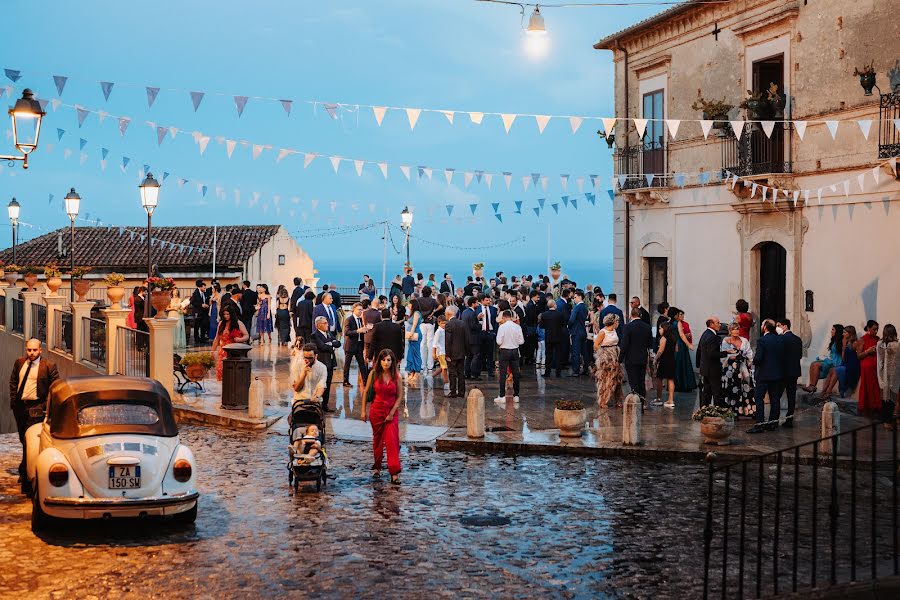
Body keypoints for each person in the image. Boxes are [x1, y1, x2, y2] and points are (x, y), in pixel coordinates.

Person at [9, 338, 59, 495]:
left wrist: (44, 408)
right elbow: (13, 382)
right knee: (23, 439)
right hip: (20, 408)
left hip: (36, 408)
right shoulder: (19, 363)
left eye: (34, 350)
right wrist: (14, 401)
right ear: (26, 349)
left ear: (40, 350)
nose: (31, 353)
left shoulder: (48, 366)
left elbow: (55, 389)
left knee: (31, 441)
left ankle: (26, 475)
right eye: (29, 350)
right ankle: (25, 469)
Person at [361, 349, 404, 485]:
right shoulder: (374, 374)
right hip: (376, 411)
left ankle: (394, 473)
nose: (386, 363)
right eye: (384, 360)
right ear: (379, 361)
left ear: (393, 362)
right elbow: (366, 391)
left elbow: (399, 396)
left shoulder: (397, 376)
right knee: (378, 441)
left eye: (389, 360)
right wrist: (363, 411)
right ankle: (377, 467)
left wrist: (392, 413)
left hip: (391, 412)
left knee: (392, 441)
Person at [748, 320, 785, 433]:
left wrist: (752, 361)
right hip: (776, 374)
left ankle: (760, 424)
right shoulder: (780, 339)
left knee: (759, 399)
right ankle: (773, 423)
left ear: (765, 328)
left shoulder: (762, 340)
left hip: (763, 374)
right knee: (775, 399)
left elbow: (759, 358)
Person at [721, 322, 755, 418]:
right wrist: (732, 356)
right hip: (730, 369)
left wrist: (749, 362)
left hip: (743, 367)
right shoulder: (725, 341)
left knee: (746, 387)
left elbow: (749, 353)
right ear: (730, 331)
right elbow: (723, 355)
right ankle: (732, 411)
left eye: (737, 329)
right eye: (733, 329)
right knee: (732, 389)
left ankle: (747, 410)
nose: (736, 331)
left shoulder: (744, 340)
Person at [619, 307, 653, 403]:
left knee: (633, 382)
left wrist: (620, 359)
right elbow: (650, 344)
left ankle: (636, 402)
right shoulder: (647, 327)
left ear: (631, 315)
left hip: (631, 358)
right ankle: (642, 402)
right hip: (642, 357)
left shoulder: (628, 327)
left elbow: (624, 344)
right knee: (641, 381)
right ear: (640, 315)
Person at [819, 326, 860, 399]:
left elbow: (857, 356)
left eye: (845, 332)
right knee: (831, 370)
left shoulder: (855, 343)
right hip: (846, 363)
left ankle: (828, 392)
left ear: (850, 333)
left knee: (835, 370)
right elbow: (843, 358)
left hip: (852, 365)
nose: (843, 334)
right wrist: (843, 347)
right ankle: (824, 391)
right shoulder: (845, 342)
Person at [593, 314, 624, 408]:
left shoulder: (614, 330)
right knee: (606, 379)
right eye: (617, 321)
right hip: (606, 357)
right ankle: (603, 400)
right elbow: (596, 345)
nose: (618, 323)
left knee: (617, 379)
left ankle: (617, 400)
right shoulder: (603, 332)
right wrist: (604, 355)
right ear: (613, 322)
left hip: (615, 355)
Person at [212, 304, 250, 381]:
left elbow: (246, 335)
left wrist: (239, 340)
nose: (226, 316)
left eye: (228, 314)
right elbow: (217, 338)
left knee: (232, 374)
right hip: (222, 352)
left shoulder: (238, 323)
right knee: (221, 371)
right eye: (224, 314)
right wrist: (212, 351)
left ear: (231, 314)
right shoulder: (221, 323)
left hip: (233, 352)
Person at [311, 316, 341, 412]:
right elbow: (322, 347)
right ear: (318, 325)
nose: (327, 324)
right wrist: (331, 344)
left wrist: (330, 343)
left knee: (328, 384)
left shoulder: (328, 333)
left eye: (327, 323)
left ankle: (325, 405)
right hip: (322, 362)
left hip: (330, 362)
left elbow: (338, 343)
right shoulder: (314, 335)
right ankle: (317, 404)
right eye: (325, 323)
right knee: (320, 385)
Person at [494, 309, 524, 404]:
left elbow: (498, 341)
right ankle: (516, 396)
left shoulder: (502, 327)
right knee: (516, 374)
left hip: (504, 351)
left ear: (504, 317)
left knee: (503, 374)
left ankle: (502, 396)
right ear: (511, 317)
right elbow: (521, 341)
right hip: (515, 351)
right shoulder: (517, 327)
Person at [803, 324, 844, 393]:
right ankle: (811, 385)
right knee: (813, 363)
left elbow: (838, 356)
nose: (831, 331)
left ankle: (813, 386)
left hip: (835, 362)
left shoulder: (840, 342)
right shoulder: (834, 341)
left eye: (833, 330)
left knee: (816, 365)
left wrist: (827, 359)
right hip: (831, 360)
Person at [778, 318, 803, 427]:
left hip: (783, 371)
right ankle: (789, 419)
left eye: (779, 325)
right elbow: (800, 355)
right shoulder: (798, 339)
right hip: (794, 371)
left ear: (785, 326)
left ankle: (773, 419)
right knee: (791, 396)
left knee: (777, 395)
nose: (777, 327)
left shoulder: (782, 339)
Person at [443, 305, 471, 398]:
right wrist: (467, 352)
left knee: (452, 373)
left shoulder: (448, 324)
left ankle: (453, 391)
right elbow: (467, 339)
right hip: (461, 352)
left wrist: (447, 354)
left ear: (448, 313)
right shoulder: (462, 323)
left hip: (452, 353)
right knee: (460, 373)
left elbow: (448, 341)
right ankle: (462, 392)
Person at [696, 316, 725, 407]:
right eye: (718, 323)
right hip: (713, 369)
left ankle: (705, 410)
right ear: (711, 324)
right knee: (716, 392)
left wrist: (699, 365)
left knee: (707, 392)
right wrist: (726, 353)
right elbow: (712, 354)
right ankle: (717, 412)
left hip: (706, 368)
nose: (719, 325)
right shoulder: (712, 336)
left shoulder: (705, 334)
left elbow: (699, 350)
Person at [669, 307, 697, 393]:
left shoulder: (668, 323)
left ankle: (676, 385)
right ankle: (684, 385)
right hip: (680, 345)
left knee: (676, 365)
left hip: (673, 345)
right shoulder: (678, 323)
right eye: (678, 314)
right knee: (683, 364)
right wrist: (688, 344)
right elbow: (681, 335)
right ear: (675, 315)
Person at [857, 320, 882, 418]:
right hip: (866, 367)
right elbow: (859, 355)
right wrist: (867, 351)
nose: (876, 331)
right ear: (868, 328)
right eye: (874, 329)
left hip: (876, 366)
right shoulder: (862, 340)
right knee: (867, 386)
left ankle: (876, 407)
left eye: (877, 329)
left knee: (875, 386)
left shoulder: (878, 339)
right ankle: (866, 407)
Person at [876, 324, 899, 426]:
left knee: (885, 398)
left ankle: (886, 420)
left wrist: (881, 375)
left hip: (883, 374)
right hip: (894, 375)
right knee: (892, 399)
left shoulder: (879, 344)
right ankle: (889, 421)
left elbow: (880, 361)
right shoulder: (896, 345)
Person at [342, 303, 369, 387]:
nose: (361, 311)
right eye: (359, 309)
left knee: (362, 364)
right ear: (354, 309)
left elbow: (362, 331)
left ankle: (365, 381)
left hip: (359, 345)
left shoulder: (361, 320)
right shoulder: (349, 319)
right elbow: (346, 332)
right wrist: (358, 331)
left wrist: (366, 329)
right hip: (350, 345)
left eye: (362, 309)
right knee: (347, 364)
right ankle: (345, 381)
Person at [539, 301, 566, 378]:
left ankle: (547, 372)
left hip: (549, 337)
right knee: (558, 355)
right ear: (554, 305)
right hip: (558, 337)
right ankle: (558, 373)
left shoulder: (544, 315)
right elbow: (563, 325)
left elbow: (541, 326)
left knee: (548, 355)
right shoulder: (560, 314)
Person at [474, 296, 498, 379]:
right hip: (481, 333)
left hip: (490, 333)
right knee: (480, 353)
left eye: (489, 300)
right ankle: (479, 371)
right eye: (486, 300)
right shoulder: (477, 309)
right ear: (482, 301)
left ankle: (490, 371)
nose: (488, 302)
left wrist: (494, 332)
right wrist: (477, 318)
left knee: (490, 353)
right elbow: (473, 321)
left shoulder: (493, 309)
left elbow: (495, 321)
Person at [655, 321, 677, 408]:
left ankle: (658, 398)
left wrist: (655, 359)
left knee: (659, 378)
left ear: (665, 329)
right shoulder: (673, 338)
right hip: (671, 360)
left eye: (660, 328)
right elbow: (676, 349)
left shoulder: (663, 338)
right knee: (670, 379)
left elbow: (660, 351)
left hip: (664, 360)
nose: (659, 330)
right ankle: (671, 400)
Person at [568, 290, 589, 377]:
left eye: (575, 297)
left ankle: (576, 371)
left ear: (580, 297)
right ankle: (586, 368)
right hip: (583, 331)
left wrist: (568, 326)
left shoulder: (577, 307)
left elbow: (572, 319)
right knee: (584, 352)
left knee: (576, 352)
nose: (574, 299)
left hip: (576, 332)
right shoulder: (584, 307)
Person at [418, 286, 438, 374]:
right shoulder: (433, 300)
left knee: (422, 344)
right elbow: (440, 306)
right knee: (430, 344)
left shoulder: (418, 300)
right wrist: (433, 312)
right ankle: (430, 365)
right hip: (430, 323)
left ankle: (422, 365)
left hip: (422, 322)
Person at [405, 298, 423, 386]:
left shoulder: (416, 313)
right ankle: (412, 372)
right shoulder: (412, 313)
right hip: (411, 334)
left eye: (409, 304)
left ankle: (416, 372)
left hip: (415, 334)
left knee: (416, 353)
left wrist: (411, 334)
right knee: (411, 352)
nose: (408, 305)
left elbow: (415, 324)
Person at [431, 314, 449, 393]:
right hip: (440, 352)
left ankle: (432, 376)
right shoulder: (438, 332)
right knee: (444, 368)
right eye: (442, 323)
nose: (444, 325)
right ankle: (446, 383)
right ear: (438, 323)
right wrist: (434, 353)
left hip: (445, 351)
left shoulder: (445, 330)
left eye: (445, 323)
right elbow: (434, 343)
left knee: (443, 367)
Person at [190, 280, 210, 344]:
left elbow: (207, 301)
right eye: (204, 288)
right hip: (197, 312)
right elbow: (192, 302)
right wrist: (201, 305)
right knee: (197, 326)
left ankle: (203, 338)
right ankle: (196, 339)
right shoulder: (195, 293)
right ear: (200, 287)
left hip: (204, 312)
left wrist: (207, 305)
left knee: (204, 325)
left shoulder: (205, 293)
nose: (205, 289)